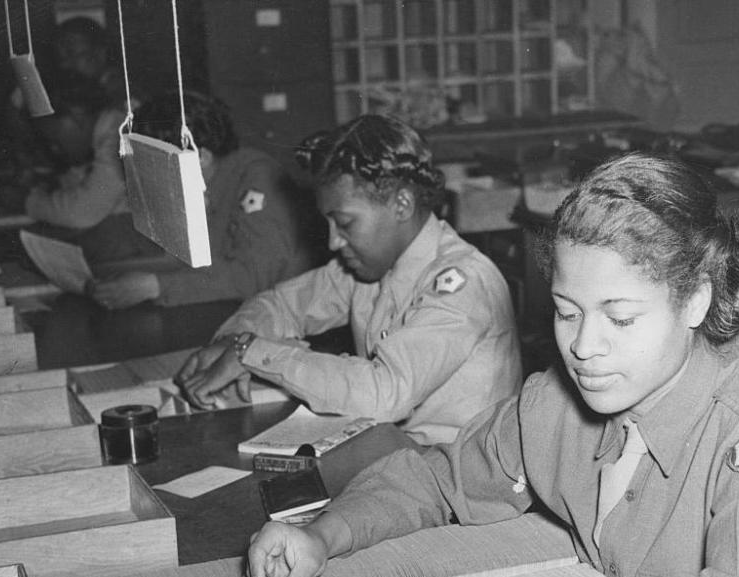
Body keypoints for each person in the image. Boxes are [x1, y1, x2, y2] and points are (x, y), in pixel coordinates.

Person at [237, 153, 739, 577]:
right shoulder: (559, 399)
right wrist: (322, 533)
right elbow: (438, 477)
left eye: (620, 317)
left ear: (696, 300)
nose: (584, 348)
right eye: (567, 313)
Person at [176, 114, 522, 445]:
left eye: (344, 223)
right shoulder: (369, 267)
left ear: (401, 204)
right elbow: (281, 304)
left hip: (465, 482)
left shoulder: (463, 283)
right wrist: (233, 342)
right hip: (400, 456)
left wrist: (252, 352)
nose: (333, 242)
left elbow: (384, 393)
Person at [86, 91, 319, 308]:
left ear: (201, 158)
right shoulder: (205, 182)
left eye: (157, 165)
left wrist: (155, 286)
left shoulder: (257, 178)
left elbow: (254, 276)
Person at [14, 67, 128, 230]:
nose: (54, 148)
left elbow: (82, 213)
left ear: (77, 115)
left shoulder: (117, 138)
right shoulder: (105, 130)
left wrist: (27, 202)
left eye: (55, 139)